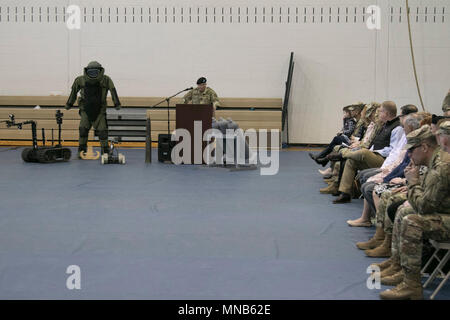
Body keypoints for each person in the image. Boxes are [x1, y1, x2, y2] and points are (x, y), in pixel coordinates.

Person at [375, 125, 450, 300]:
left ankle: (412, 285)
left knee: (412, 220)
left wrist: (413, 182)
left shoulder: (441, 167)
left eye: (411, 150)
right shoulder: (437, 161)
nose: (409, 155)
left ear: (424, 147)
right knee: (403, 210)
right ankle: (398, 266)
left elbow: (423, 207)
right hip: (444, 211)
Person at [333, 101, 403, 203]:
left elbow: (393, 151)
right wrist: (371, 151)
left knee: (364, 152)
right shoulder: (384, 125)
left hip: (384, 160)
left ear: (387, 113)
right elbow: (374, 143)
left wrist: (373, 152)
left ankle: (342, 154)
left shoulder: (397, 128)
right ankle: (345, 193)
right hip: (375, 156)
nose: (378, 114)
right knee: (351, 161)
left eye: (380, 111)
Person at [65, 61, 121, 156]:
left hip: (100, 111)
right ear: (87, 71)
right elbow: (73, 91)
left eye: (95, 72)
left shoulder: (106, 80)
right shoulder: (80, 80)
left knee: (103, 131)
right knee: (83, 130)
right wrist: (69, 104)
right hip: (85, 110)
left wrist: (117, 104)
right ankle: (81, 151)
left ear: (100, 71)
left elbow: (113, 91)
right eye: (91, 72)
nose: (93, 74)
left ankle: (105, 152)